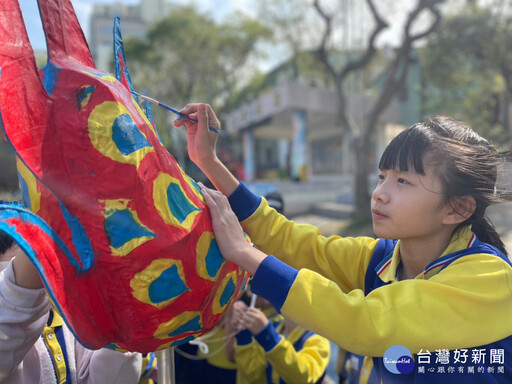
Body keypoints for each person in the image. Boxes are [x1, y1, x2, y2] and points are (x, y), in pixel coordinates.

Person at [175, 104, 512, 383]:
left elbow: (365, 322)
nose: (379, 193)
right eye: (382, 176)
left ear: (458, 208)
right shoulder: (381, 259)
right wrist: (209, 162)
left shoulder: (488, 277)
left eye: (403, 181)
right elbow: (293, 243)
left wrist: (245, 253)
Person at [0, 220, 144, 383]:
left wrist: (120, 321)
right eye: (22, 246)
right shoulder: (10, 313)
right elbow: (14, 305)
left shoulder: (64, 311)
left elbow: (104, 376)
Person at [231, 299, 330, 384]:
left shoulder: (318, 340)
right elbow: (255, 376)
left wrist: (269, 338)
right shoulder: (275, 327)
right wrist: (244, 336)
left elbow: (303, 378)